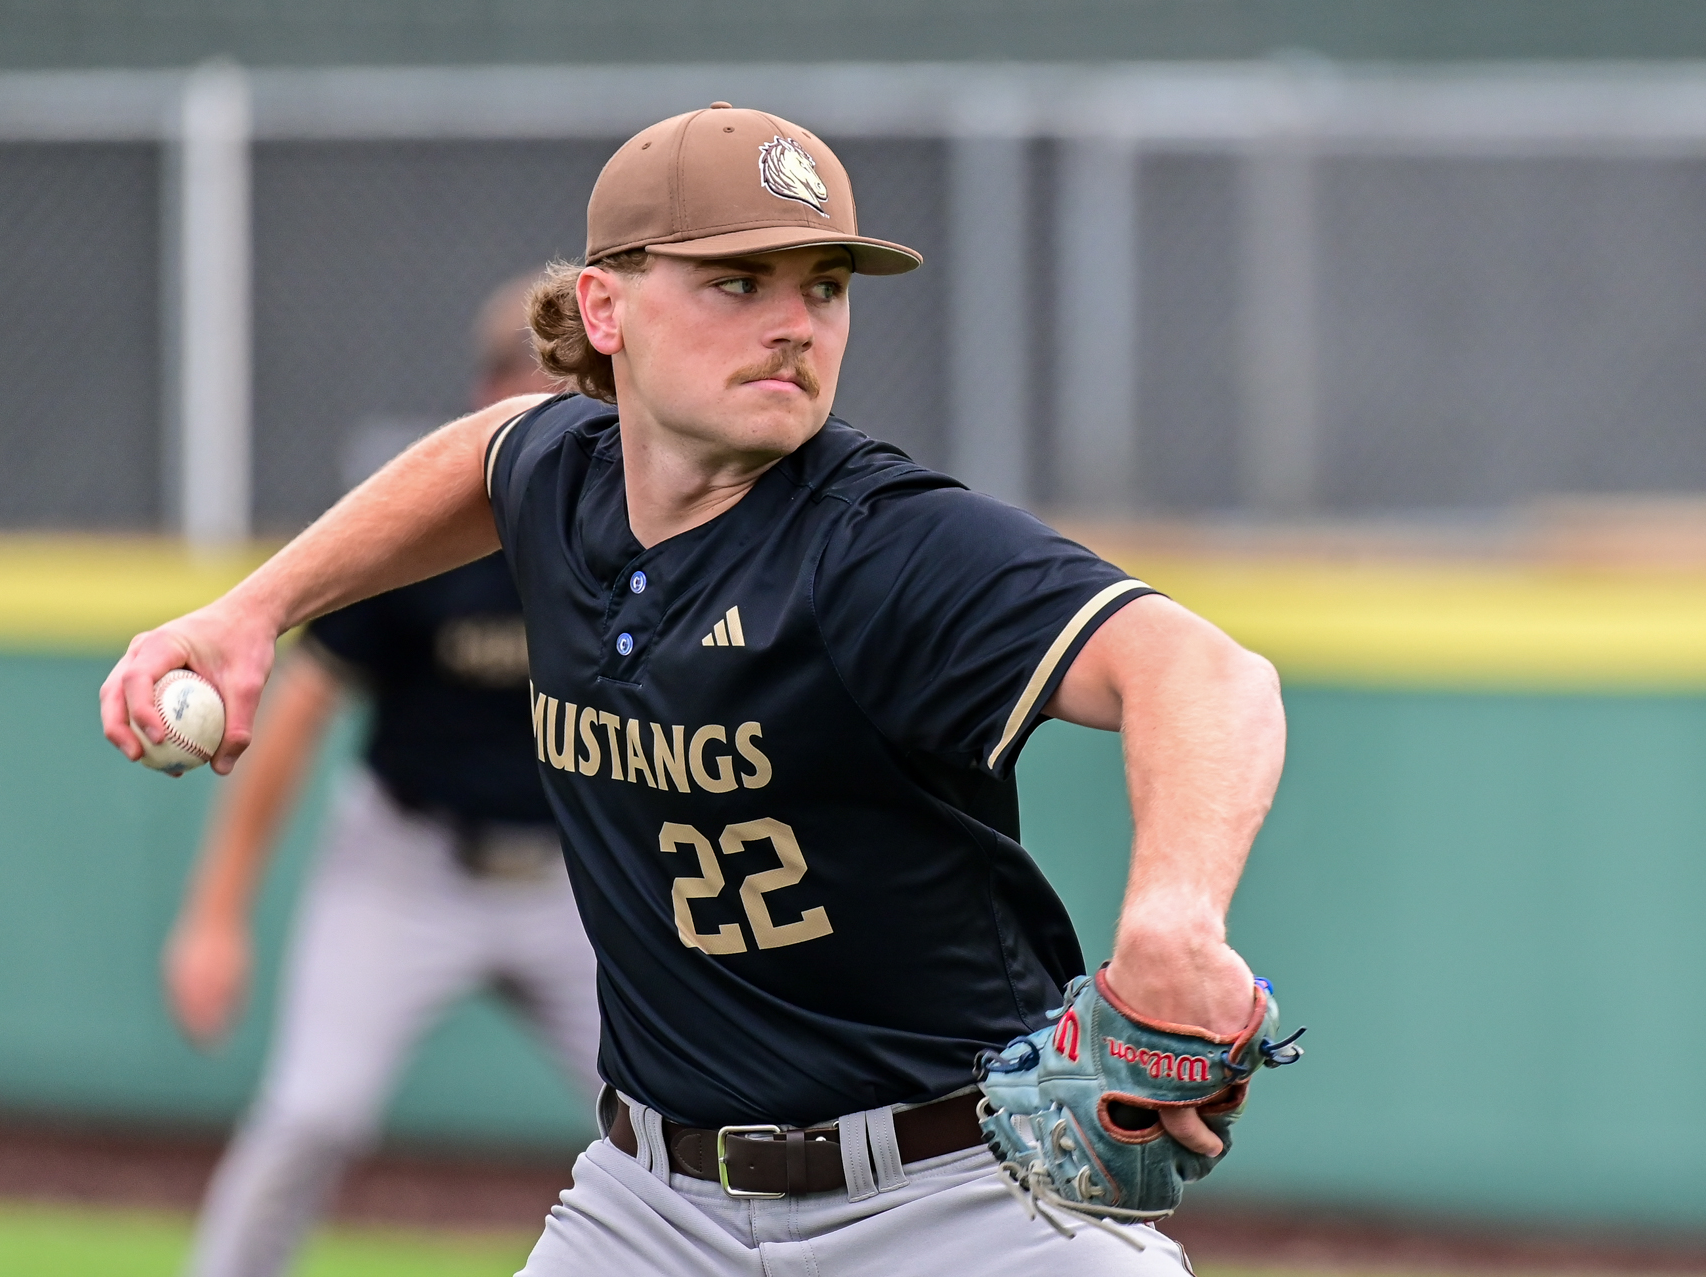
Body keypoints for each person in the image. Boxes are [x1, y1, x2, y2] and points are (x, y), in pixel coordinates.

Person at [105, 104, 1286, 1276]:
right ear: (603, 311)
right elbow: (482, 451)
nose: (794, 324)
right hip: (652, 1208)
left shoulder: (883, 546)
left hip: (956, 1203)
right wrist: (252, 610)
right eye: (738, 282)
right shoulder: (565, 477)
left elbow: (1207, 671)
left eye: (824, 285)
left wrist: (1173, 915)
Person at [163, 275, 599, 1277]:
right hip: (407, 865)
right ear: (484, 394)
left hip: (573, 880)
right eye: (530, 387)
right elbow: (295, 718)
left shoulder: (630, 531)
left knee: (684, 1114)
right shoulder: (422, 530)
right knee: (313, 1111)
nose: (555, 414)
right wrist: (215, 913)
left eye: (576, 389)